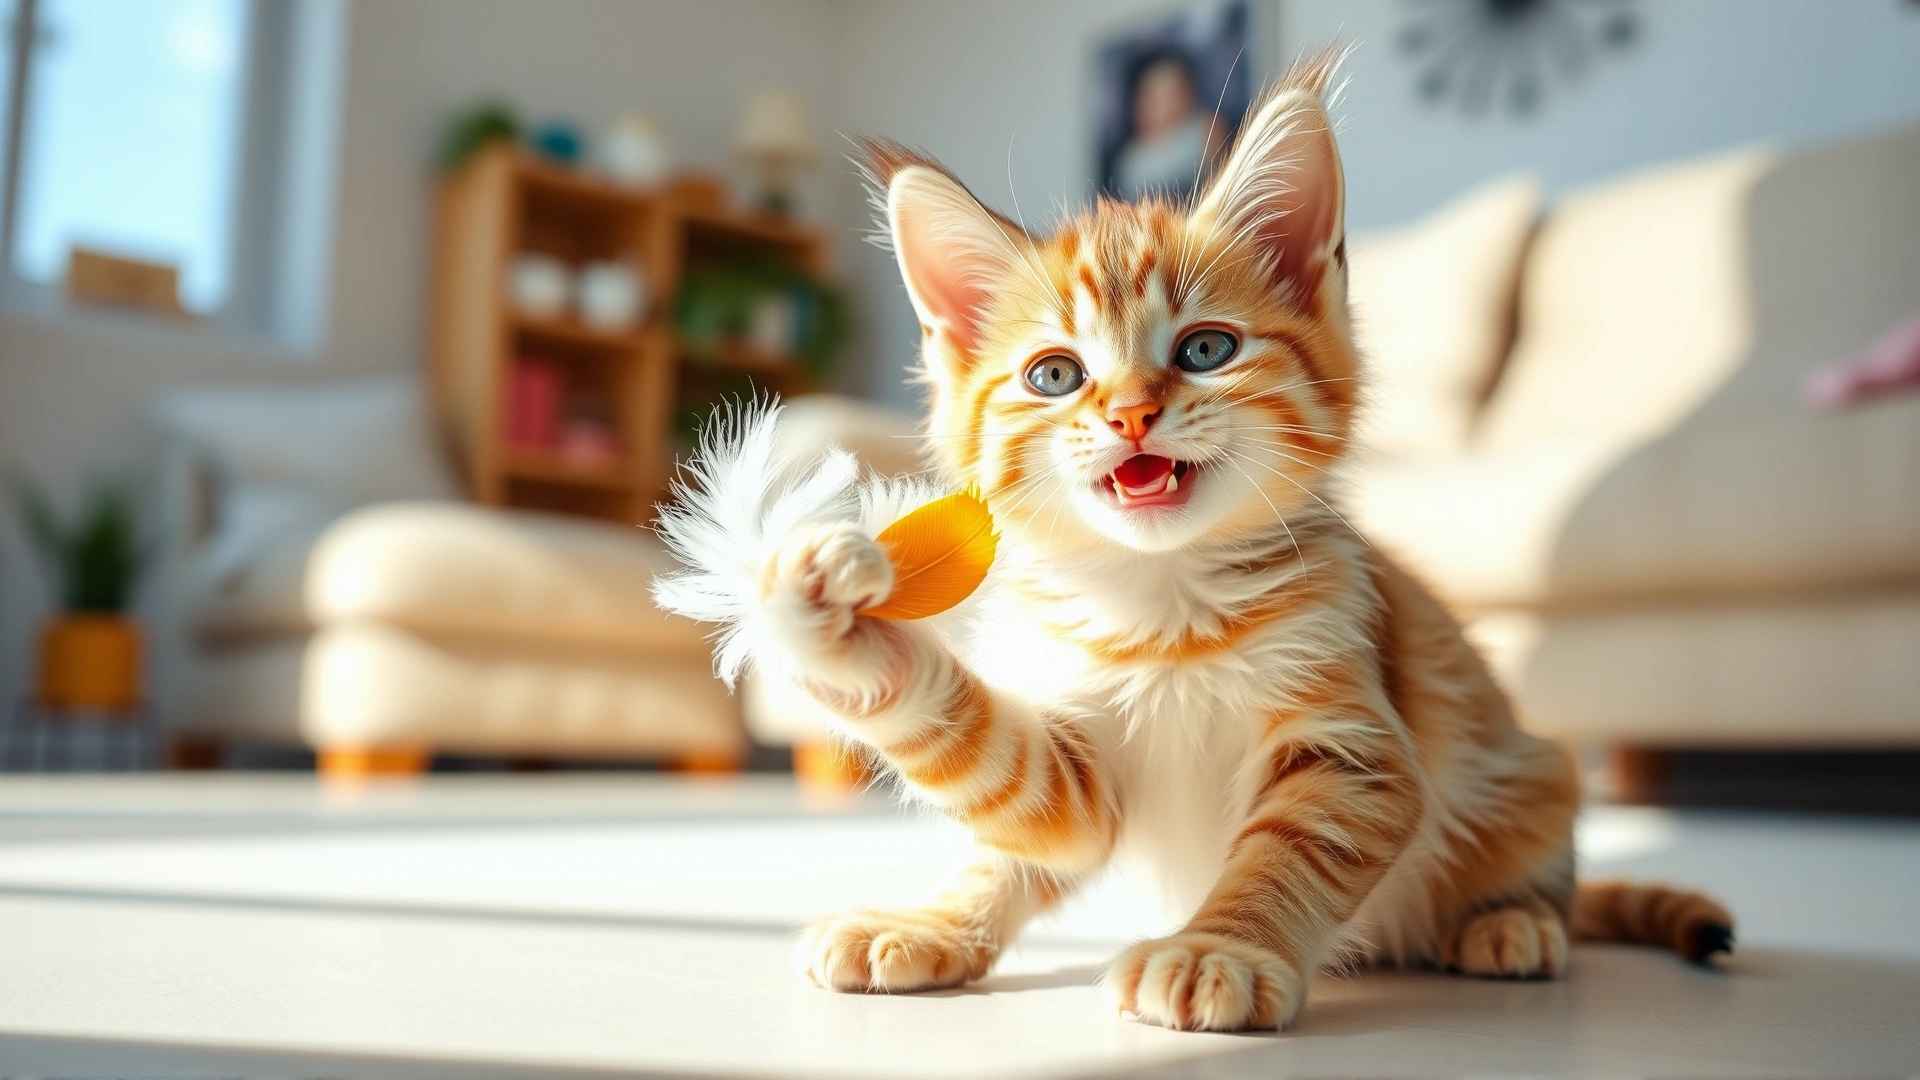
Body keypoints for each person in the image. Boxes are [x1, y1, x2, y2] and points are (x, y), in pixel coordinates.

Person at [1112, 49, 1224, 202]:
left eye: (1173, 95)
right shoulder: (1130, 162)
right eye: (1155, 98)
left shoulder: (1204, 130)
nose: (1166, 108)